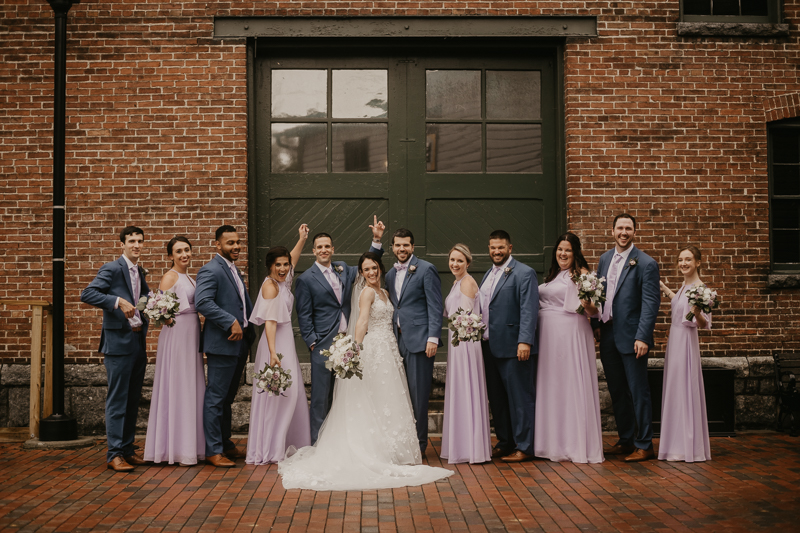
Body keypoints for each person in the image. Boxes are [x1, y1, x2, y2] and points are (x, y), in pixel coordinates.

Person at [278, 253, 453, 490]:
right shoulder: (367, 293)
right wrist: (355, 350)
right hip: (373, 350)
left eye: (374, 268)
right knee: (375, 398)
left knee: (389, 399)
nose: (371, 272)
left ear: (380, 269)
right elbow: (361, 322)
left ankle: (392, 449)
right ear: (361, 273)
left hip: (389, 351)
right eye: (366, 269)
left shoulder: (385, 293)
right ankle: (374, 450)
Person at [295, 215, 385, 444]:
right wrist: (312, 341)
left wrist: (376, 240)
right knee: (320, 398)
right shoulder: (306, 279)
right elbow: (303, 314)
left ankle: (341, 442)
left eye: (327, 246)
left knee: (344, 396)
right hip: (323, 344)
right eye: (319, 247)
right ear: (313, 251)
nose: (324, 250)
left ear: (332, 249)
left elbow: (368, 266)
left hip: (347, 343)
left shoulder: (342, 268)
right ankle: (317, 444)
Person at [591, 214, 660, 462]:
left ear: (634, 232)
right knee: (617, 390)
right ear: (612, 231)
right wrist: (595, 324)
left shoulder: (645, 263)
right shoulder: (604, 259)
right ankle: (626, 440)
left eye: (628, 228)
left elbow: (650, 304)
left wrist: (643, 336)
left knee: (637, 390)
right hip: (608, 333)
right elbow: (597, 293)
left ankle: (644, 444)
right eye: (620, 228)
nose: (623, 232)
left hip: (632, 338)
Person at [81, 226, 150, 472]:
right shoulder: (112, 268)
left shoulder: (139, 271)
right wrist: (116, 301)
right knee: (118, 399)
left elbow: (146, 300)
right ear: (122, 244)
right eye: (131, 241)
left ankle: (128, 450)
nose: (136, 245)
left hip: (138, 341)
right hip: (118, 344)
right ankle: (114, 454)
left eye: (140, 241)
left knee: (133, 400)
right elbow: (87, 293)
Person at [534, 233, 604, 464]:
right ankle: (552, 443)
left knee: (571, 384)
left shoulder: (582, 274)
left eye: (568, 250)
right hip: (549, 337)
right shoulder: (554, 275)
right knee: (553, 385)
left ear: (575, 253)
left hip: (570, 334)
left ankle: (574, 444)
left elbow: (594, 311)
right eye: (560, 249)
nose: (563, 254)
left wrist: (588, 305)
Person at [246, 225, 312, 464]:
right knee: (278, 395)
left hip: (286, 342)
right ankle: (271, 448)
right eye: (279, 265)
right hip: (275, 344)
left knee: (290, 393)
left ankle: (288, 442)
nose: (284, 268)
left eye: (286, 264)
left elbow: (293, 258)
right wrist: (273, 354)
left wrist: (301, 239)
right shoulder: (270, 286)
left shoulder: (283, 280)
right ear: (270, 266)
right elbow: (270, 324)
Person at [195, 225, 255, 468]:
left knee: (228, 398)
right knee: (216, 398)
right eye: (230, 243)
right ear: (217, 245)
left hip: (240, 343)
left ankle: (226, 443)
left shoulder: (233, 270)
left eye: (238, 242)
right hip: (222, 343)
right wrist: (231, 321)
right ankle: (213, 450)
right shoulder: (210, 270)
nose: (236, 246)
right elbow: (203, 302)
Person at [143, 236, 205, 466]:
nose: (184, 255)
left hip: (192, 332)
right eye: (178, 251)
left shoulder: (190, 276)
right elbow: (159, 309)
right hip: (178, 333)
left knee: (190, 384)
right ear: (170, 256)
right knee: (178, 384)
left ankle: (190, 445)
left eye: (187, 250)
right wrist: (167, 318)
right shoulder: (170, 276)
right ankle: (175, 448)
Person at [479, 230, 540, 462]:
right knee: (498, 399)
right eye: (493, 247)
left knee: (520, 398)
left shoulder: (525, 273)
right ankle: (505, 442)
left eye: (501, 247)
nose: (496, 251)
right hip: (489, 346)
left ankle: (524, 446)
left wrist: (525, 341)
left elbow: (529, 309)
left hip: (515, 347)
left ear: (510, 248)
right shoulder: (488, 274)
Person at [384, 228, 443, 454]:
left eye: (406, 245)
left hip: (420, 341)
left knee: (418, 395)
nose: (402, 249)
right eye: (398, 245)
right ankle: (403, 442)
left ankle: (419, 446)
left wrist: (433, 337)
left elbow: (435, 306)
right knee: (399, 394)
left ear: (412, 246)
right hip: (395, 340)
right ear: (393, 247)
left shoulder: (426, 269)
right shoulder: (389, 274)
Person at [658, 245, 712, 462]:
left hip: (686, 344)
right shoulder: (683, 287)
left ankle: (687, 446)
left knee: (685, 389)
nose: (683, 263)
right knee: (675, 389)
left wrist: (697, 313)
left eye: (688, 260)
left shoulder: (701, 288)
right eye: (680, 260)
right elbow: (678, 302)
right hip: (675, 342)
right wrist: (663, 287)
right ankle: (674, 444)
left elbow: (704, 324)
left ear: (698, 262)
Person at [440, 244, 491, 464]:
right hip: (457, 343)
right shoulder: (457, 283)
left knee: (466, 388)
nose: (455, 264)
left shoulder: (468, 282)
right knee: (459, 389)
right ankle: (460, 445)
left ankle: (471, 448)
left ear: (468, 263)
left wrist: (462, 336)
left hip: (466, 343)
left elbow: (470, 318)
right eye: (452, 260)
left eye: (459, 261)